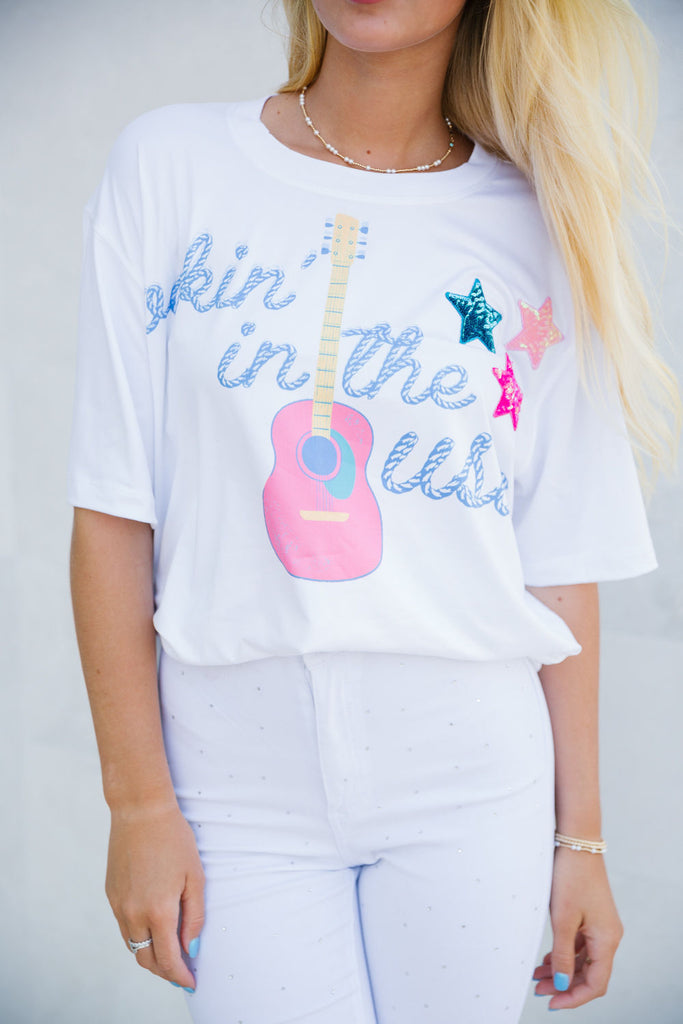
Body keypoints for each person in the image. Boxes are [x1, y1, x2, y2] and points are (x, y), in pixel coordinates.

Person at [67, 1, 680, 1022]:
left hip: (470, 773)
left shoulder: (538, 219)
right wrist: (135, 802)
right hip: (230, 777)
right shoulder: (170, 166)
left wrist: (582, 843)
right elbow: (111, 511)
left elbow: (556, 562)